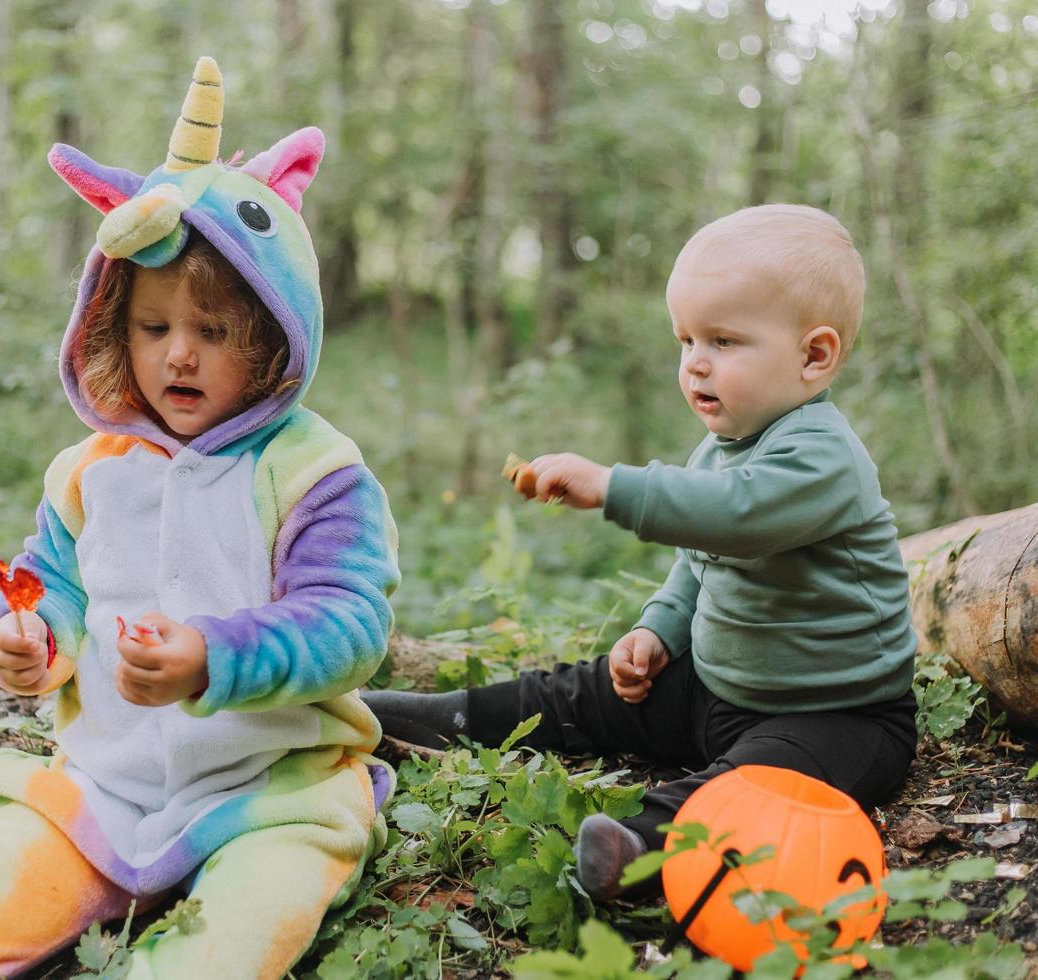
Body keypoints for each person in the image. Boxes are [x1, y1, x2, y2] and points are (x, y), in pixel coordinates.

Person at [0, 58, 399, 979]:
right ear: (110, 324)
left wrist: (215, 656)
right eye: (152, 327)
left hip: (275, 791)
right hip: (103, 787)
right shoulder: (87, 474)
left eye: (214, 332)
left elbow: (352, 623)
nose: (178, 355)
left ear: (273, 338)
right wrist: (29, 641)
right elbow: (49, 585)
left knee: (236, 938)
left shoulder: (316, 473)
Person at [364, 204, 917, 902]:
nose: (695, 364)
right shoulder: (722, 447)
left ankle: (641, 847)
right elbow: (699, 553)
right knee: (593, 690)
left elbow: (732, 517)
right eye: (685, 340)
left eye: (724, 340)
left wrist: (613, 486)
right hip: (720, 686)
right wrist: (660, 627)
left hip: (838, 713)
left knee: (765, 786)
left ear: (814, 356)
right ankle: (457, 715)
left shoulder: (824, 458)